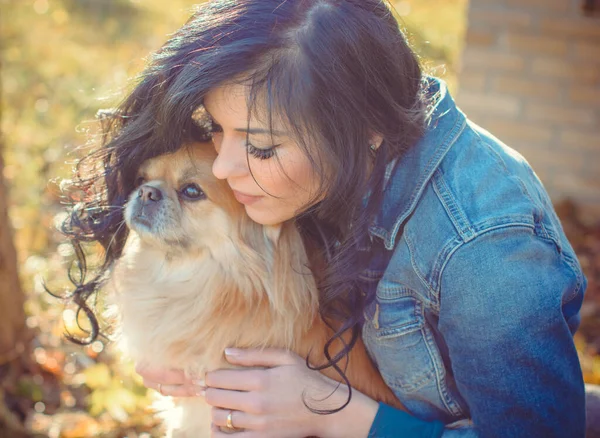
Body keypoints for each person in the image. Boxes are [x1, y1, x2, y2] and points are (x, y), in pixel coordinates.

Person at [66, 0, 587, 436]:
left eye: (262, 148)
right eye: (220, 128)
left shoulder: (484, 248)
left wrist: (334, 409)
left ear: (366, 130)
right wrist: (179, 358)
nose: (224, 166)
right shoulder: (329, 132)